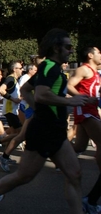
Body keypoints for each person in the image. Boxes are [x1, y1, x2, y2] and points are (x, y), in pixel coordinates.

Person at [0, 28, 88, 214]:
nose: (71, 50)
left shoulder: (52, 69)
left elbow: (26, 90)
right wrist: (69, 101)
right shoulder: (49, 67)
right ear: (56, 48)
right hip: (43, 132)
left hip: (57, 131)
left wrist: (38, 110)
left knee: (74, 174)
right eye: (68, 47)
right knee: (24, 176)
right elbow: (42, 94)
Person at [67, 46, 101, 213]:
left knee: (79, 146)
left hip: (91, 111)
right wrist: (86, 99)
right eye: (98, 52)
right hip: (86, 111)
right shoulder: (83, 69)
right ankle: (90, 201)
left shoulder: (95, 72)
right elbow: (69, 86)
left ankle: (56, 151)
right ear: (90, 55)